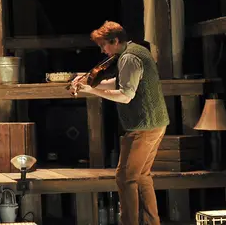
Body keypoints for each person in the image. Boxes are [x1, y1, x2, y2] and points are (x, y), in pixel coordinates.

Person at [70, 21, 169, 225]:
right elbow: (121, 81)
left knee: (125, 178)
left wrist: (93, 90)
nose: (102, 50)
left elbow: (125, 95)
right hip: (154, 124)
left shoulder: (129, 58)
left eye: (104, 45)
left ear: (115, 41)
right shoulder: (135, 51)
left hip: (144, 126)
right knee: (141, 176)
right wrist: (87, 82)